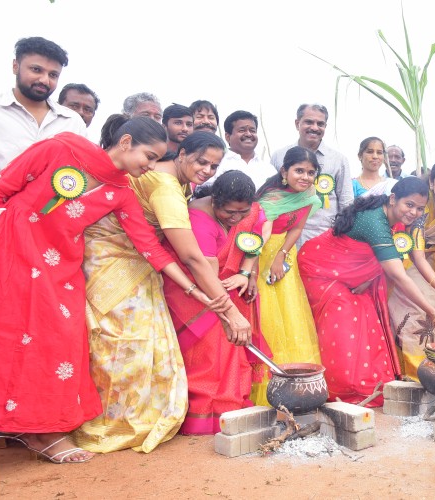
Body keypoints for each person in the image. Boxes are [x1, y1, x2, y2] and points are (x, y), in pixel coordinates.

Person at [0, 116, 218, 463]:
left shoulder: (120, 192)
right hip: (9, 249)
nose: (151, 167)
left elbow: (150, 247)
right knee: (7, 336)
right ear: (126, 141)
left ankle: (44, 429)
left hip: (61, 264)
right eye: (148, 156)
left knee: (62, 342)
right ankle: (16, 426)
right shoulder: (59, 147)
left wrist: (195, 291)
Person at [75, 131, 251, 452]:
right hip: (118, 261)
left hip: (139, 260)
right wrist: (230, 312)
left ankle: (129, 418)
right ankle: (116, 424)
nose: (208, 171)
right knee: (124, 344)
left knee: (136, 346)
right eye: (202, 162)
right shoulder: (167, 188)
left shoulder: (174, 180)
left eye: (214, 166)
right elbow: (192, 257)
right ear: (181, 153)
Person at [299, 177, 435, 405]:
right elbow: (398, 275)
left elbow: (415, 255)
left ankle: (368, 387)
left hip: (357, 277)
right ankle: (342, 392)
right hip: (322, 272)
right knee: (345, 325)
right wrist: (433, 312)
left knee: (369, 325)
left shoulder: (404, 219)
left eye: (420, 208)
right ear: (393, 199)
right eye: (409, 205)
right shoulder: (375, 222)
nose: (414, 212)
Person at [162, 170, 272, 432]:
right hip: (194, 293)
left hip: (220, 290)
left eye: (241, 213)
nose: (235, 219)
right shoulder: (199, 220)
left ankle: (231, 406)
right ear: (214, 201)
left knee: (232, 352)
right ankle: (208, 415)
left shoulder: (247, 209)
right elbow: (204, 270)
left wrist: (248, 274)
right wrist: (228, 311)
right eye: (229, 213)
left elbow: (260, 225)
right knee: (210, 356)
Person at [253, 146, 323, 402]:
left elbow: (298, 227)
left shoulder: (307, 194)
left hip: (284, 252)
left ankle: (298, 384)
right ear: (285, 171)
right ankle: (269, 386)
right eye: (299, 171)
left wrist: (282, 255)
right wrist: (269, 260)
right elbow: (262, 232)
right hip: (262, 253)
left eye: (310, 172)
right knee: (270, 315)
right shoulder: (271, 198)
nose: (305, 177)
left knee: (292, 315)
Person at [0, 36, 86, 194]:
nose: (45, 80)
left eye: (53, 75)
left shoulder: (72, 122)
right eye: (36, 70)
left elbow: (82, 171)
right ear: (15, 66)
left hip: (51, 214)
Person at [388, 158, 435, 379]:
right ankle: (414, 372)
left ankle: (430, 369)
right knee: (417, 314)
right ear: (431, 182)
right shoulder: (421, 204)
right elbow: (417, 254)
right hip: (410, 263)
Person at [271, 103, 353, 246]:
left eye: (320, 124)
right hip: (282, 238)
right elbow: (271, 195)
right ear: (297, 123)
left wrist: (341, 236)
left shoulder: (339, 160)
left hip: (323, 238)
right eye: (309, 122)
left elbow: (346, 203)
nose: (315, 127)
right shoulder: (279, 156)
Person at [200, 110, 269, 191]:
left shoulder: (268, 169)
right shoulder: (215, 164)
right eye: (242, 130)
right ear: (228, 137)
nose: (248, 134)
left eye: (252, 130)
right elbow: (201, 193)